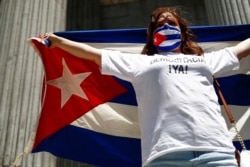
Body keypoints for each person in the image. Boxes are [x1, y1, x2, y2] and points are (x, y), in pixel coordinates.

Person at [42, 7, 250, 167]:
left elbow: (241, 49)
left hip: (217, 152)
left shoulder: (205, 61)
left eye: (171, 22)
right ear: (152, 34)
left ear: (183, 32)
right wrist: (58, 42)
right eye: (160, 24)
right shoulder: (139, 63)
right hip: (165, 155)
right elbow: (93, 54)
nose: (166, 26)